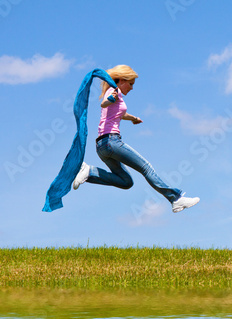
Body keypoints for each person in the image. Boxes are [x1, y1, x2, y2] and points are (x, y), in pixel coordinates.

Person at [72, 65, 199, 213]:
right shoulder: (114, 91)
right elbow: (104, 102)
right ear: (121, 80)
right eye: (130, 83)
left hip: (102, 146)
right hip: (112, 142)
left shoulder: (115, 94)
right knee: (146, 168)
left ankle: (89, 172)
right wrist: (110, 99)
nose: (132, 88)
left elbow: (118, 113)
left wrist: (133, 118)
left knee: (126, 182)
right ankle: (175, 199)